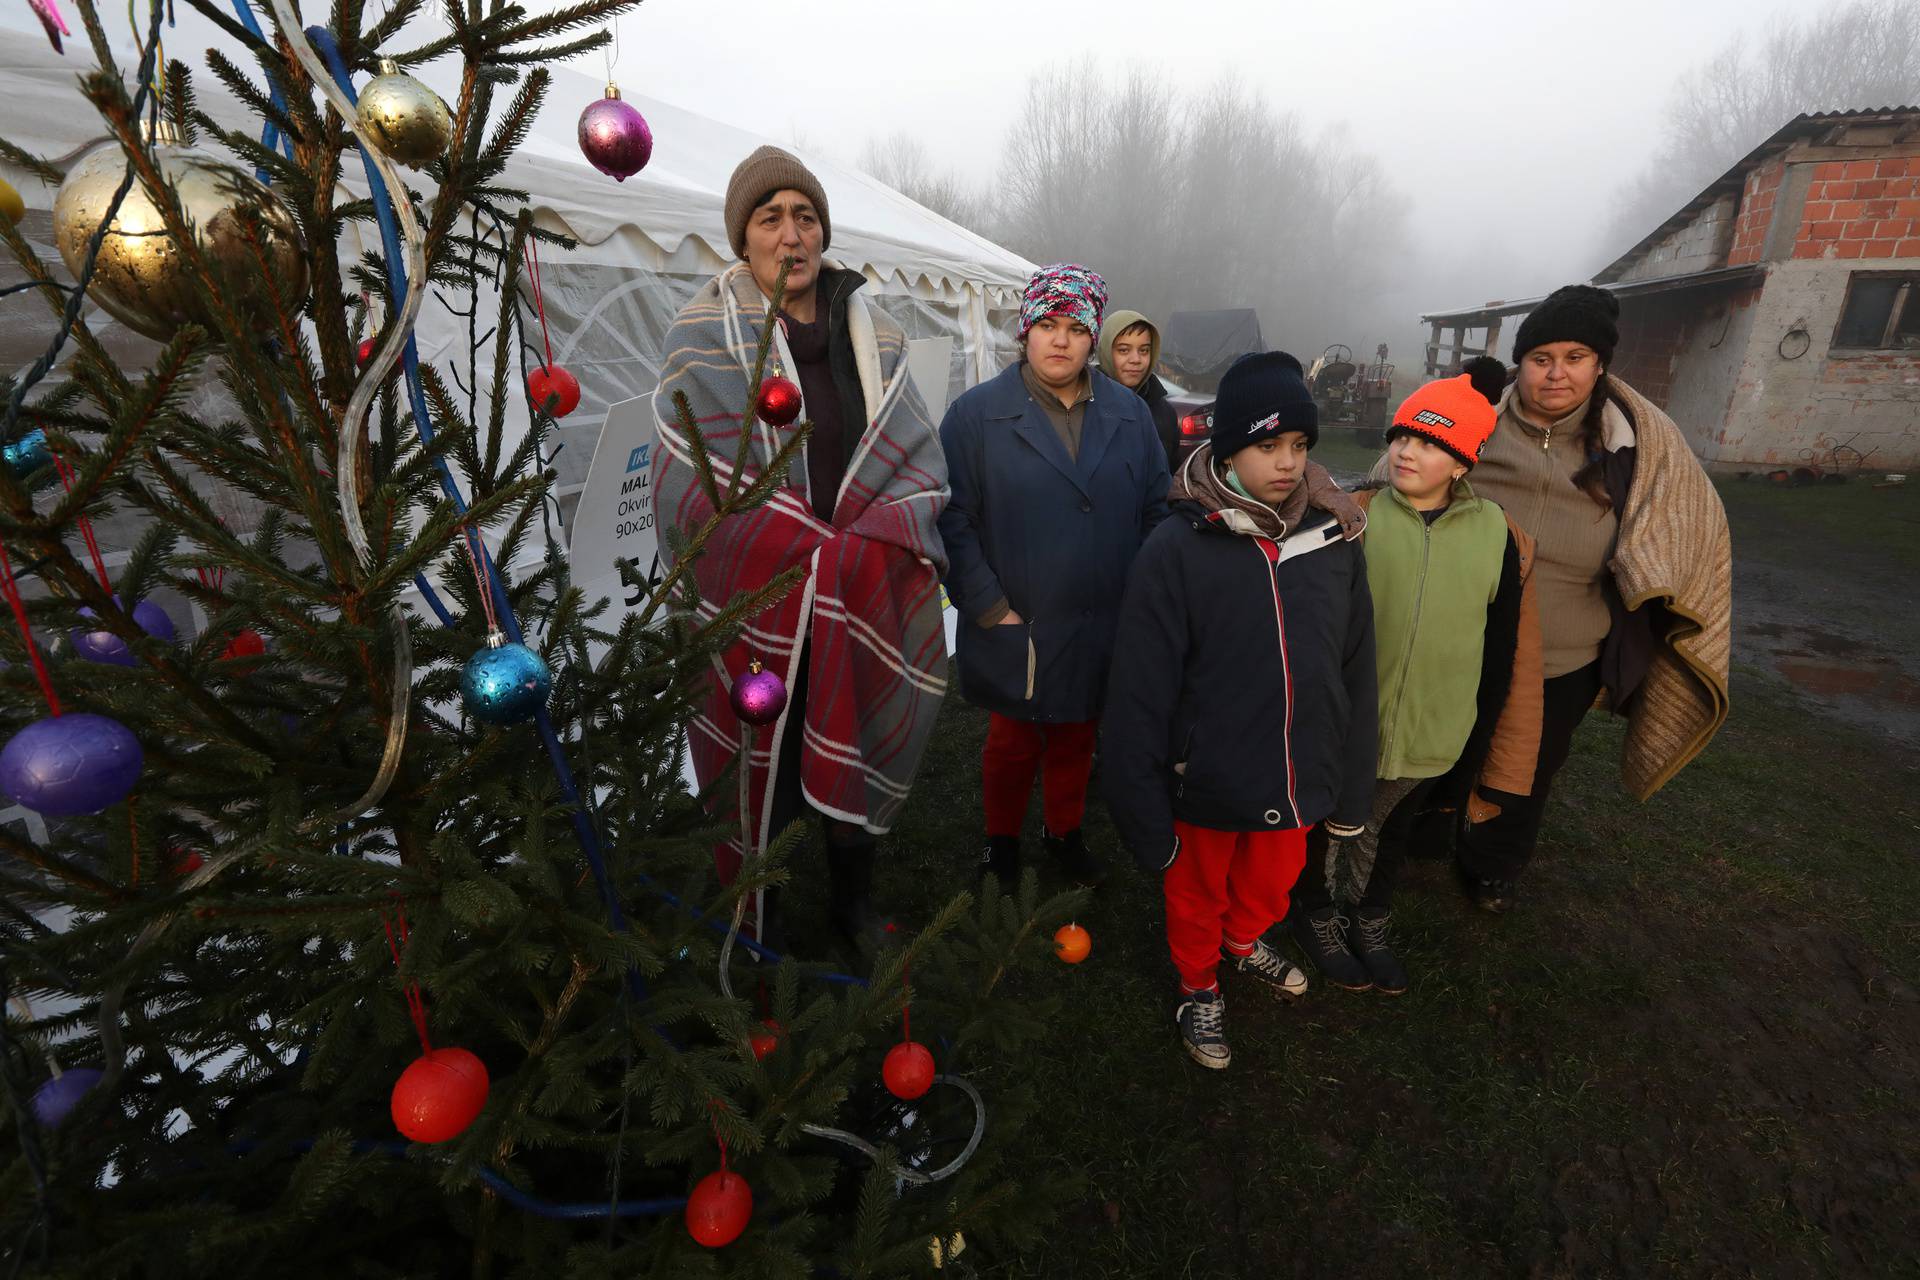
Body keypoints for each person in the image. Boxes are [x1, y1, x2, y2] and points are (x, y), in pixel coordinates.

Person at [652, 145, 949, 956]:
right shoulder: (701, 336)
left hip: (858, 589)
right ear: (741, 239)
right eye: (770, 217)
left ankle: (854, 905)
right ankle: (762, 917)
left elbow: (915, 457)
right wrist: (795, 549)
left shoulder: (875, 335)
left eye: (806, 216)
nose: (792, 234)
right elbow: (687, 484)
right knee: (763, 766)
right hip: (758, 595)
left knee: (851, 729)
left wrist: (866, 545)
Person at [1102, 351, 1373, 1070]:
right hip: (1210, 775)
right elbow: (1139, 687)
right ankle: (1198, 985)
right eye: (1266, 445)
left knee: (1271, 883)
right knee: (1195, 891)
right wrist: (1140, 801)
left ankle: (1243, 939)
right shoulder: (1177, 547)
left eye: (1299, 445)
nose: (1287, 463)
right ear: (1227, 449)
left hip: (1297, 766)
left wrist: (1348, 779)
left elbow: (1355, 664)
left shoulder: (1333, 538)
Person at [1453, 284, 1732, 912]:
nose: (1556, 374)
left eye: (1574, 357)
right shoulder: (1474, 428)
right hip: (1464, 636)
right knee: (1444, 746)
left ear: (1599, 364)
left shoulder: (1636, 445)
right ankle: (1422, 834)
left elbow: (1686, 518)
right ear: (1519, 365)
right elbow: (1401, 474)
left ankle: (1493, 863)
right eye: (1540, 358)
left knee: (1529, 767)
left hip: (1565, 650)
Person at [1287, 359, 1544, 994]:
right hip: (1352, 719)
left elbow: (1503, 640)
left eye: (1431, 443)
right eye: (1404, 436)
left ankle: (1368, 916)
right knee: (1331, 821)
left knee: (1390, 825)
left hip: (1436, 720)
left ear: (1463, 463)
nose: (1408, 451)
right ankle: (1317, 913)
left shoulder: (1496, 535)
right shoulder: (1356, 517)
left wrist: (1480, 733)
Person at [937, 265, 1170, 891]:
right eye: (1047, 324)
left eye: (1074, 327)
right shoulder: (975, 417)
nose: (1060, 340)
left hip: (1104, 619)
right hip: (1021, 616)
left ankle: (1064, 833)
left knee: (1077, 734)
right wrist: (989, 609)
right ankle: (1002, 845)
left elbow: (1156, 508)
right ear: (1025, 331)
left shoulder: (1129, 414)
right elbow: (954, 520)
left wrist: (1138, 595)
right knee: (1013, 741)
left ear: (1093, 338)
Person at [1099, 309, 1179, 469]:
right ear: (1107, 351)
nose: (1136, 360)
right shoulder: (1083, 405)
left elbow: (1171, 477)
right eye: (1123, 350)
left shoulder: (1165, 413)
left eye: (1144, 350)